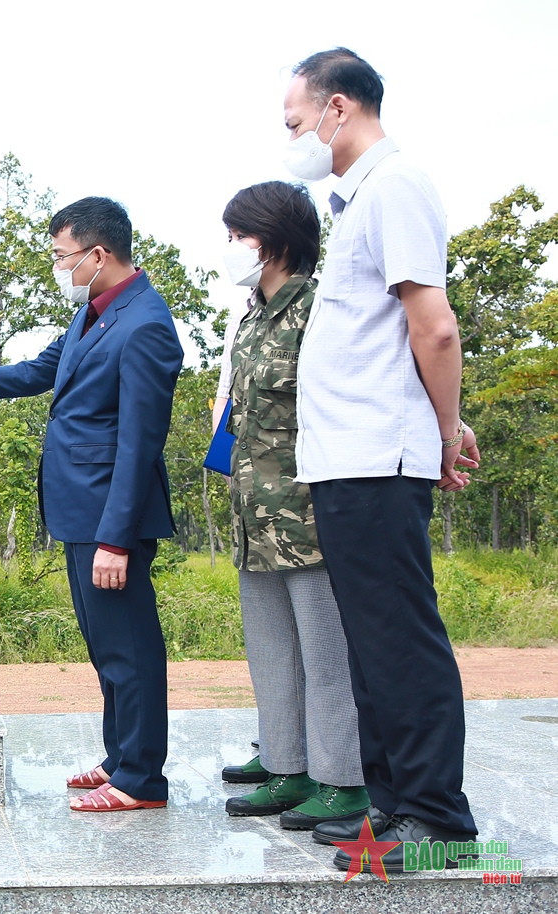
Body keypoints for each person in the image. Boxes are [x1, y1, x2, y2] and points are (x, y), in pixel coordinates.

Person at [0, 197, 183, 812]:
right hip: (79, 508)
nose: (59, 268)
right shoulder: (95, 314)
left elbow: (139, 444)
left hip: (111, 513)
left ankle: (142, 779)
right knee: (106, 644)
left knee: (131, 646)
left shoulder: (146, 325)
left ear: (98, 254)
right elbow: (38, 372)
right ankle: (120, 755)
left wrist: (116, 537)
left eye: (63, 257)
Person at [281, 48, 480, 870]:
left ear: (337, 109)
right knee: (370, 643)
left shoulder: (394, 188)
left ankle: (438, 822)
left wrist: (444, 426)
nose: (289, 137)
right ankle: (393, 805)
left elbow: (430, 325)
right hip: (345, 457)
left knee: (398, 639)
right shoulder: (355, 200)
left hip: (376, 454)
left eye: (293, 121)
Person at [211, 181, 369, 829]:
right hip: (256, 513)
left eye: (237, 237)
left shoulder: (319, 310)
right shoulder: (251, 312)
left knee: (324, 656)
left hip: (308, 512)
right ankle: (286, 765)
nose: (229, 249)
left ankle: (342, 781)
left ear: (274, 241)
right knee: (271, 649)